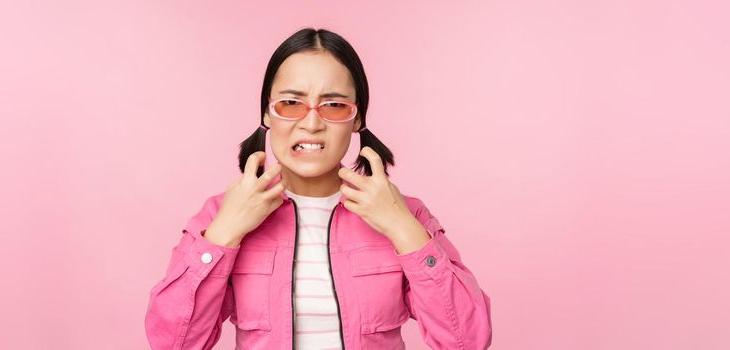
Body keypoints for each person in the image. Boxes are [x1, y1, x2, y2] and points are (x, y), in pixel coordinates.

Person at [145, 27, 492, 350]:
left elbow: (467, 341)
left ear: (357, 119)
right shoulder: (220, 215)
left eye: (334, 105)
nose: (311, 124)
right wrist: (223, 234)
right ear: (267, 112)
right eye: (291, 103)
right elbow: (173, 343)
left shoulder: (405, 214)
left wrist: (403, 228)